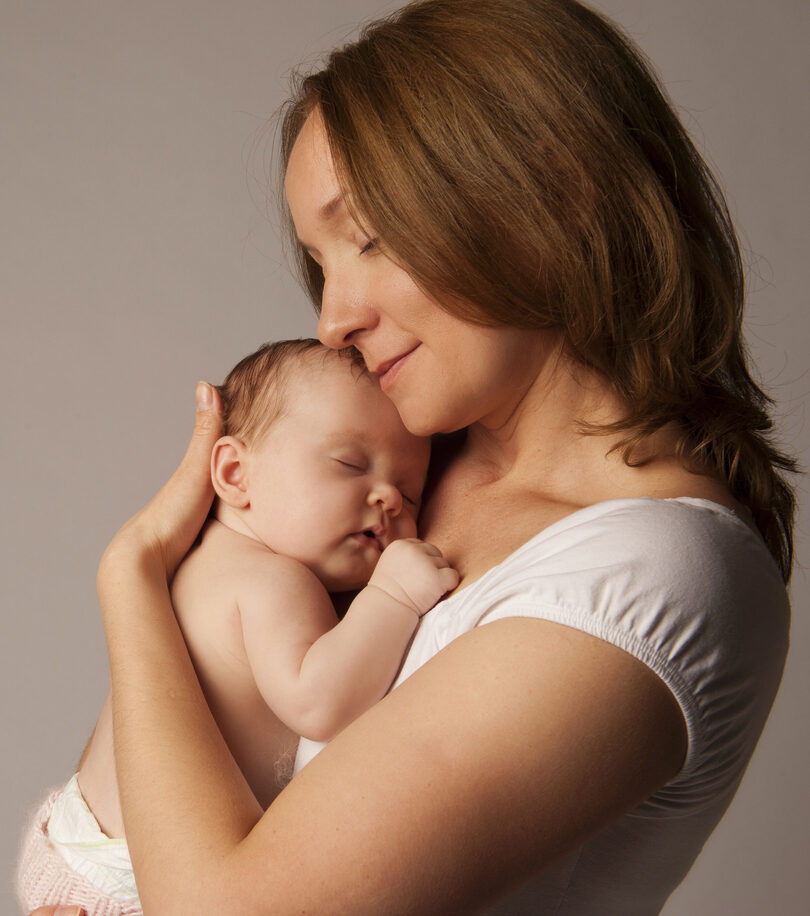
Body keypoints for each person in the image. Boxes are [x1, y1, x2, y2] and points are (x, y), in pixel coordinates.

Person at [29, 0, 795, 913]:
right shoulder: (406, 462)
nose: (331, 319)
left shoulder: (652, 574)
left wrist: (128, 581)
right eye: (322, 260)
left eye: (372, 236)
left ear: (555, 188)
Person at [18, 338, 456, 915]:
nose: (387, 499)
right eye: (350, 464)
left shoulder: (199, 564)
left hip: (83, 842)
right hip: (134, 883)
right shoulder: (273, 581)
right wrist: (393, 594)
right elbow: (318, 700)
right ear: (233, 472)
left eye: (410, 492)